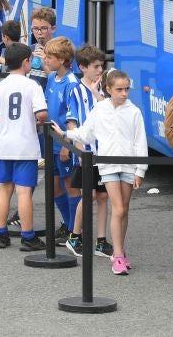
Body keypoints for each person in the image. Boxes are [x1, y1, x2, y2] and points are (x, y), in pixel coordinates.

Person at [59, 68, 147, 276]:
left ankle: (120, 251)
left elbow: (140, 141)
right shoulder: (99, 110)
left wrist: (140, 170)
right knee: (118, 208)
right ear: (108, 89)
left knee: (123, 209)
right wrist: (64, 133)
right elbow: (86, 134)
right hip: (107, 166)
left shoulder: (134, 111)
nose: (124, 93)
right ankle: (117, 255)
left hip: (128, 165)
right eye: (119, 89)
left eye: (126, 89)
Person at [0, 42, 47, 251]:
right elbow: (41, 114)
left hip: (4, 144)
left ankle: (0, 234)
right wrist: (37, 120)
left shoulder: (1, 86)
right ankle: (28, 236)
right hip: (25, 144)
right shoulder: (32, 85)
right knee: (24, 192)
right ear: (26, 62)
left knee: (4, 189)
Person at [64, 44, 112, 258]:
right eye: (95, 66)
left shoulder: (105, 89)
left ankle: (101, 241)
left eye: (101, 66)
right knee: (89, 194)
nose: (99, 70)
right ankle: (75, 236)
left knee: (103, 196)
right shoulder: (75, 90)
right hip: (87, 152)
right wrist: (80, 148)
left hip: (105, 151)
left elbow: (111, 114)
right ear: (83, 67)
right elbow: (72, 123)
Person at [43, 36, 79, 236]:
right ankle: (69, 224)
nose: (46, 60)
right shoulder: (51, 78)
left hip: (64, 144)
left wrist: (67, 144)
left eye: (50, 56)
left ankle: (76, 230)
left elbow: (73, 117)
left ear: (63, 60)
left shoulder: (72, 83)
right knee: (55, 187)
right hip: (51, 142)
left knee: (70, 186)